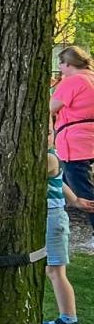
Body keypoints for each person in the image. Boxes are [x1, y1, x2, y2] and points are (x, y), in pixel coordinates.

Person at [51, 45, 94, 255]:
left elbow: (51, 106)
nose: (59, 67)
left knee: (82, 189)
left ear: (69, 63)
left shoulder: (74, 80)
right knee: (65, 184)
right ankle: (60, 225)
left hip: (75, 141)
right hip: (90, 137)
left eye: (61, 63)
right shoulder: (91, 77)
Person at [44, 145, 83, 324]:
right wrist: (74, 200)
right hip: (49, 217)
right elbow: (61, 182)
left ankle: (69, 320)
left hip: (53, 219)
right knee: (51, 270)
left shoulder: (49, 158)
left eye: (49, 132)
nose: (46, 136)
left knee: (56, 271)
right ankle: (67, 319)